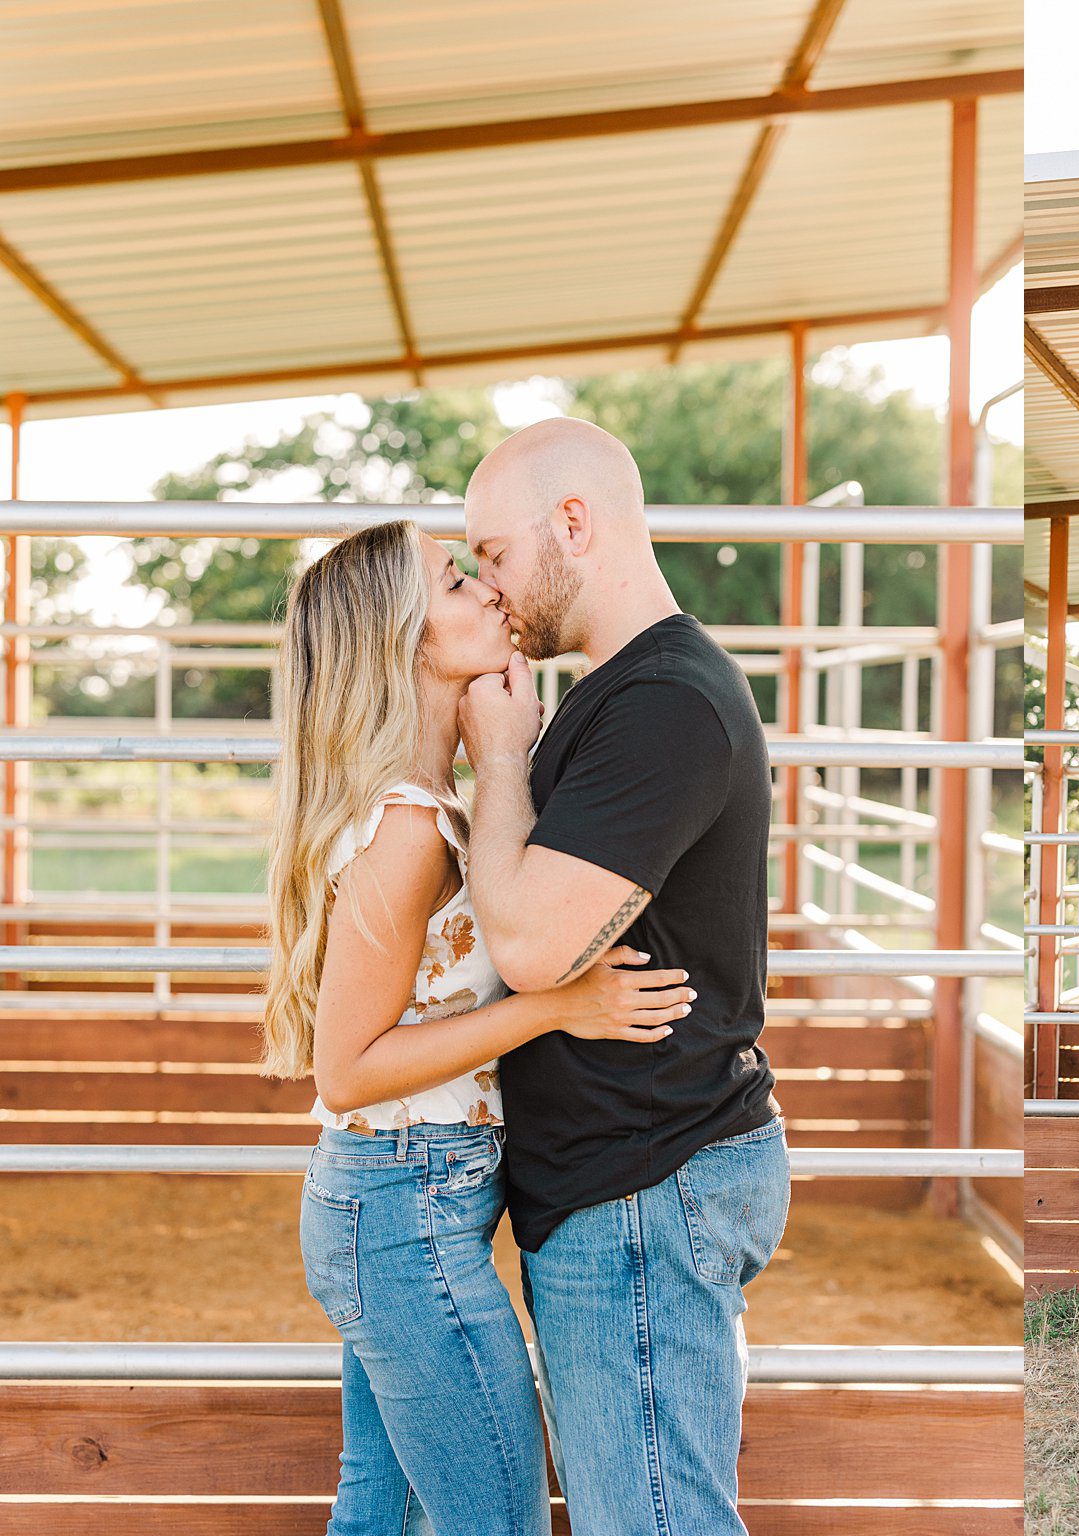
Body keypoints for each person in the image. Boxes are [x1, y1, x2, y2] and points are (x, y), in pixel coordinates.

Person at [262, 519, 695, 1534]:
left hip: (407, 1206)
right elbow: (351, 1071)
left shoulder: (433, 804)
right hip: (400, 1209)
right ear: (402, 639)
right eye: (458, 582)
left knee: (381, 1513)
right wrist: (559, 1007)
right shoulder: (405, 831)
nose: (492, 593)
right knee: (495, 1518)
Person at [456, 416, 788, 1535]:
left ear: (574, 523)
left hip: (644, 1183)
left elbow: (534, 945)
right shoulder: (620, 693)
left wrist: (500, 756)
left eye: (494, 554)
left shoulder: (666, 706)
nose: (490, 589)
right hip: (625, 1180)